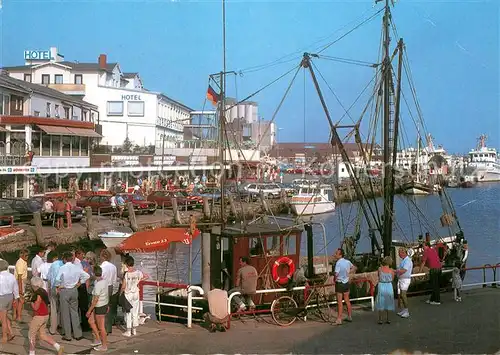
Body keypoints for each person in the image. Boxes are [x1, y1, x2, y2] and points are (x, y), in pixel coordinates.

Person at [55, 251, 90, 341]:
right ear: (72, 259)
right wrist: (79, 283)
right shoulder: (76, 267)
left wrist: (58, 286)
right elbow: (87, 275)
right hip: (74, 290)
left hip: (65, 290)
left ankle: (68, 335)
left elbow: (57, 279)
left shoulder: (62, 268)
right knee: (74, 312)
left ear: (65, 259)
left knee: (65, 313)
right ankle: (78, 334)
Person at [28, 276, 63, 355]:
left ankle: (31, 353)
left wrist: (30, 301)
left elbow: (36, 308)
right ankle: (58, 347)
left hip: (38, 316)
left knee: (31, 336)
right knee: (43, 335)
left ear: (34, 285)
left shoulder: (37, 294)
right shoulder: (44, 291)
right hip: (45, 315)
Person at [121, 256, 146, 337]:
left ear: (127, 264)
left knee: (128, 313)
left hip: (128, 294)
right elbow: (146, 276)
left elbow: (123, 286)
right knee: (135, 312)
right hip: (136, 293)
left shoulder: (126, 273)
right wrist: (139, 280)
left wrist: (120, 293)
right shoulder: (138, 272)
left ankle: (128, 331)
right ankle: (134, 330)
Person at [87, 265, 109, 352]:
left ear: (93, 273)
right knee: (90, 321)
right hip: (102, 304)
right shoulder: (104, 281)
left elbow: (95, 300)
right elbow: (106, 294)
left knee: (101, 327)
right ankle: (98, 339)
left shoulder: (98, 285)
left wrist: (89, 310)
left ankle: (104, 345)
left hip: (99, 306)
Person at [334, 248, 356, 325]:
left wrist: (335, 279)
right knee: (347, 300)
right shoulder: (347, 261)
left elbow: (336, 274)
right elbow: (354, 267)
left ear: (340, 255)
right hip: (346, 282)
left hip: (339, 283)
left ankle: (339, 319)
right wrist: (349, 273)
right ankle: (349, 316)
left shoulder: (338, 263)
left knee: (339, 302)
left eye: (336, 253)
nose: (335, 254)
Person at [101, 249, 119, 335]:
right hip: (111, 286)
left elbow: (100, 278)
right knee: (109, 306)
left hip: (103, 286)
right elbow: (115, 279)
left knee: (102, 307)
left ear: (102, 257)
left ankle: (103, 327)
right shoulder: (113, 267)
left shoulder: (102, 267)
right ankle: (109, 327)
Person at [0, 259, 18, 343]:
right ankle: (10, 332)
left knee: (2, 319)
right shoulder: (12, 276)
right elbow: (15, 288)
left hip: (2, 298)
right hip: (10, 297)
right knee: (5, 316)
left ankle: (4, 337)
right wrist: (16, 298)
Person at [46, 251, 63, 335]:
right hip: (63, 288)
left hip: (54, 287)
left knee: (53, 307)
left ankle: (53, 328)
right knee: (61, 307)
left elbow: (48, 278)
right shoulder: (63, 264)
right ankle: (61, 324)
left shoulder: (53, 265)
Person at [375, 256, 395, 324]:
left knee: (381, 301)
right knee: (388, 301)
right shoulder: (391, 270)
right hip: (389, 285)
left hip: (381, 285)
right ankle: (388, 319)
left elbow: (378, 276)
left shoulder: (380, 269)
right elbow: (392, 279)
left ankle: (380, 319)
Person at [396, 248, 413, 318]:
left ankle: (407, 311)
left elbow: (403, 271)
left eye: (400, 252)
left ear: (404, 253)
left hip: (405, 280)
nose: (399, 254)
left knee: (403, 295)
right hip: (401, 279)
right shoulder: (403, 260)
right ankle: (404, 310)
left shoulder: (407, 261)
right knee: (401, 295)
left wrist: (394, 271)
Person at [14, 249, 29, 322]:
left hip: (22, 282)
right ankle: (19, 317)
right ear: (21, 255)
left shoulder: (23, 262)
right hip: (20, 282)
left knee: (18, 300)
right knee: (21, 300)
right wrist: (20, 288)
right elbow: (19, 277)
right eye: (26, 255)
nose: (27, 256)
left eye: (27, 255)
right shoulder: (20, 263)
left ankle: (16, 315)